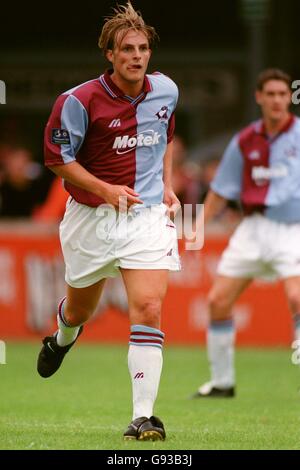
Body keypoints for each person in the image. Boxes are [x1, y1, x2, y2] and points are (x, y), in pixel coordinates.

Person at [37, 1, 181, 441]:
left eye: (143, 48)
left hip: (146, 215)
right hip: (91, 218)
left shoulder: (166, 90)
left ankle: (143, 417)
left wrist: (168, 185)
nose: (137, 56)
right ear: (110, 55)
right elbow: (56, 160)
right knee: (81, 310)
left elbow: (165, 137)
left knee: (149, 307)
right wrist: (105, 190)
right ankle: (62, 336)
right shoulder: (78, 101)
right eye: (127, 49)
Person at [191, 68, 300, 398]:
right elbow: (221, 189)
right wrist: (196, 230)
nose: (278, 100)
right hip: (251, 228)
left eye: (283, 94)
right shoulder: (244, 140)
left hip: (292, 228)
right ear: (259, 97)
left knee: (297, 297)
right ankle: (222, 383)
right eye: (271, 94)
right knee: (217, 301)